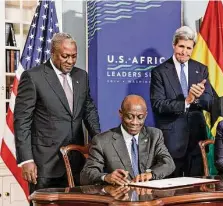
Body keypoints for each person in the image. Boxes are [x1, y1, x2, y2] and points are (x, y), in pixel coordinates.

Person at [14, 33, 101, 194]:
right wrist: (26, 160)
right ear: (52, 53)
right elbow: (22, 121)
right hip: (45, 164)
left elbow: (88, 110)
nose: (70, 61)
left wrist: (100, 140)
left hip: (76, 162)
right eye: (65, 56)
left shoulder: (81, 76)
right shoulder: (34, 77)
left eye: (74, 56)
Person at [150, 26, 213, 177]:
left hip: (197, 141)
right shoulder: (159, 72)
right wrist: (186, 101)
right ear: (174, 45)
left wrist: (196, 98)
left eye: (189, 48)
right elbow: (158, 104)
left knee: (197, 189)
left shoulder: (201, 69)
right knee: (172, 190)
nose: (185, 52)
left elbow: (210, 101)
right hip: (172, 141)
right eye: (181, 46)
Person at [80, 95, 175, 186]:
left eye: (140, 117)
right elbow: (86, 175)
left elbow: (168, 163)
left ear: (146, 115)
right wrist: (106, 177)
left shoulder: (154, 135)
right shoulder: (102, 141)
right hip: (121, 196)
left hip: (149, 197)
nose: (135, 122)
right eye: (129, 116)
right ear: (120, 113)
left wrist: (151, 174)